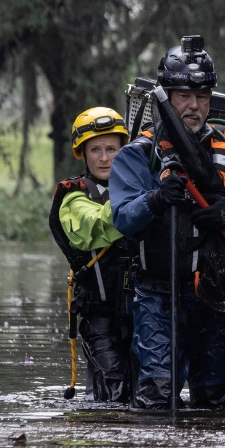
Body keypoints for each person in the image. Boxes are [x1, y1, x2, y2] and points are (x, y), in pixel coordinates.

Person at [109, 36, 225, 410]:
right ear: (167, 97)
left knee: (216, 400)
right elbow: (123, 217)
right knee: (157, 397)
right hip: (157, 296)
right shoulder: (138, 153)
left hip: (216, 295)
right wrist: (155, 199)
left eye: (202, 96)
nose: (194, 106)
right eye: (184, 95)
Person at [48, 107, 136, 403]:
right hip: (100, 317)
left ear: (123, 151)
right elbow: (97, 226)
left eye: (111, 149)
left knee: (147, 395)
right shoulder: (73, 197)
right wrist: (136, 196)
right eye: (95, 150)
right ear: (82, 154)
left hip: (143, 313)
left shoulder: (139, 189)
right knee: (113, 393)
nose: (104, 157)